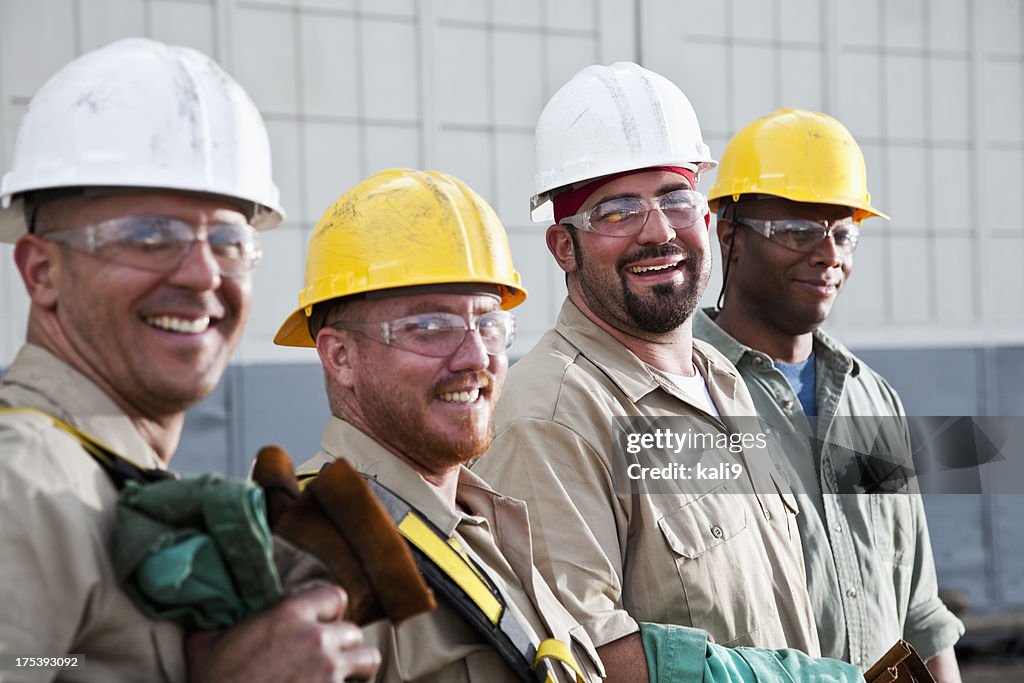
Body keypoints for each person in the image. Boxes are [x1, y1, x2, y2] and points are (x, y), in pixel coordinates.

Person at [0, 38, 378, 682]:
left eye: (229, 241)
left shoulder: (112, 476)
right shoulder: (25, 484)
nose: (204, 274)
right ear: (43, 272)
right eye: (151, 236)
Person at [473, 63, 862, 681]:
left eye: (675, 199)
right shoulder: (551, 419)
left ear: (705, 218)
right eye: (616, 211)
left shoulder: (725, 381)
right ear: (563, 247)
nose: (658, 232)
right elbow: (581, 659)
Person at [273, 168, 604, 683]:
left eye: (489, 323)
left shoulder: (484, 523)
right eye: (430, 327)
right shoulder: (315, 562)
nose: (476, 357)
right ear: (340, 356)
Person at [694, 108, 964, 680]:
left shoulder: (874, 402)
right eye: (797, 230)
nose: (828, 255)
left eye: (844, 233)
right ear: (728, 236)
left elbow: (919, 609)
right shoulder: (676, 394)